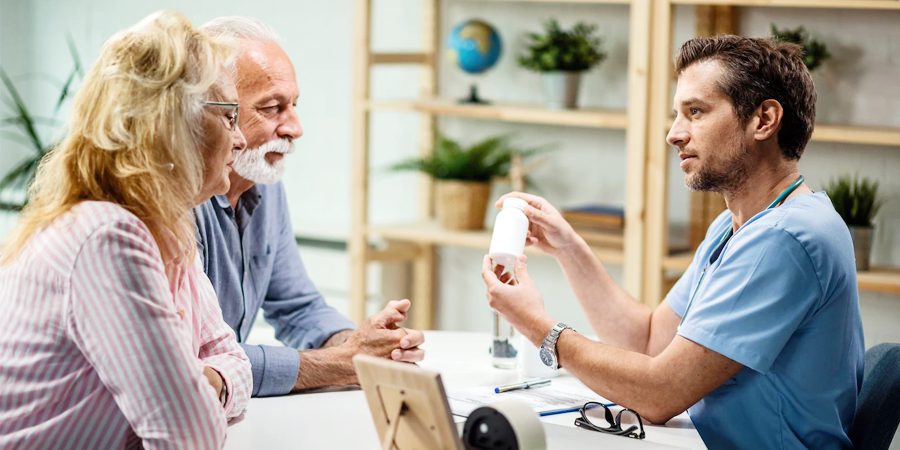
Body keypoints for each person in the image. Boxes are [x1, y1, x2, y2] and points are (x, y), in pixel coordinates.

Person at [481, 35, 863, 449]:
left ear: (764, 120)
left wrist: (538, 328)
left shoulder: (784, 239)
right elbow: (648, 341)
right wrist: (567, 247)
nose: (674, 134)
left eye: (695, 112)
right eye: (676, 115)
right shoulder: (738, 225)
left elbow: (658, 393)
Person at [0, 11, 252, 449]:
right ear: (173, 124)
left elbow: (234, 358)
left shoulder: (165, 225)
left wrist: (200, 380)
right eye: (229, 115)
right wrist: (194, 387)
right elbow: (190, 435)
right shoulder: (108, 237)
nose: (241, 138)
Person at [194, 16, 424, 398]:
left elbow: (298, 307)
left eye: (294, 105)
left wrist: (360, 344)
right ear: (214, 113)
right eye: (271, 108)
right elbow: (199, 361)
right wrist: (341, 364)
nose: (295, 127)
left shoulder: (265, 182)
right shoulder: (173, 201)